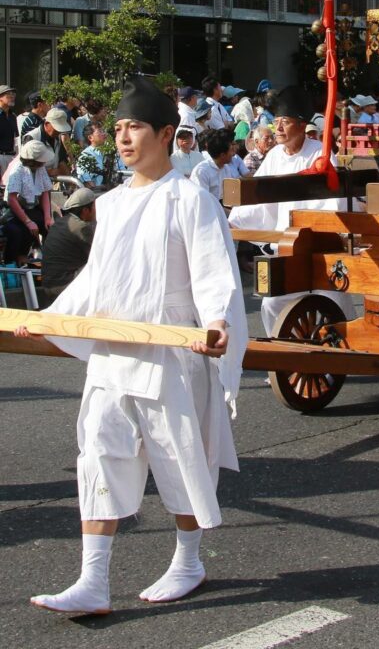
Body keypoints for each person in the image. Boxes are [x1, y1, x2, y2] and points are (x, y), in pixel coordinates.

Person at [18, 75, 247, 614]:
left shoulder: (190, 199)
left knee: (178, 456)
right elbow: (96, 281)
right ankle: (92, 579)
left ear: (166, 133)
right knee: (98, 453)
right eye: (118, 128)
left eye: (135, 127)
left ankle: (189, 561)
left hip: (173, 348)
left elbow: (217, 273)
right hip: (114, 349)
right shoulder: (113, 203)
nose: (123, 138)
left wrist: (216, 323)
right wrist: (48, 319)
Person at [227, 86, 354, 335]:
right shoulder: (274, 154)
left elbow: (331, 202)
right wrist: (236, 221)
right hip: (285, 244)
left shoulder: (319, 153)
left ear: (302, 124)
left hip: (317, 244)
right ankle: (286, 359)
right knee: (272, 302)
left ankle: (346, 350)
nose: (279, 128)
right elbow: (260, 196)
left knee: (333, 300)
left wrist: (317, 234)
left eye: (285, 122)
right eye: (276, 123)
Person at [2, 139, 53, 264]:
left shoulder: (40, 168)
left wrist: (47, 216)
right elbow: (12, 199)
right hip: (14, 210)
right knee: (18, 232)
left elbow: (45, 191)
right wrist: (28, 222)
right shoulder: (17, 170)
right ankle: (13, 263)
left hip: (32, 208)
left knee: (49, 227)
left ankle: (49, 259)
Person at [41, 187, 97, 301]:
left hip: (48, 284)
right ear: (85, 210)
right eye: (94, 206)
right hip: (63, 285)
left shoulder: (61, 222)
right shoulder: (82, 228)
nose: (97, 210)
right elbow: (99, 254)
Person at [190, 128, 235, 203]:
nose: (233, 154)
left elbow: (230, 196)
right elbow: (203, 202)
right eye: (231, 150)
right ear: (222, 155)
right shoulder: (201, 172)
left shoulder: (226, 168)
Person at [76, 122, 109, 187]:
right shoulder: (86, 156)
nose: (104, 134)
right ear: (90, 137)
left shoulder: (111, 152)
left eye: (103, 131)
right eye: (100, 131)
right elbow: (87, 182)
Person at [0, 83, 18, 174]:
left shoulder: (13, 116)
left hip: (12, 157)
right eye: (8, 94)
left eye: (13, 94)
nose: (12, 96)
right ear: (0, 98)